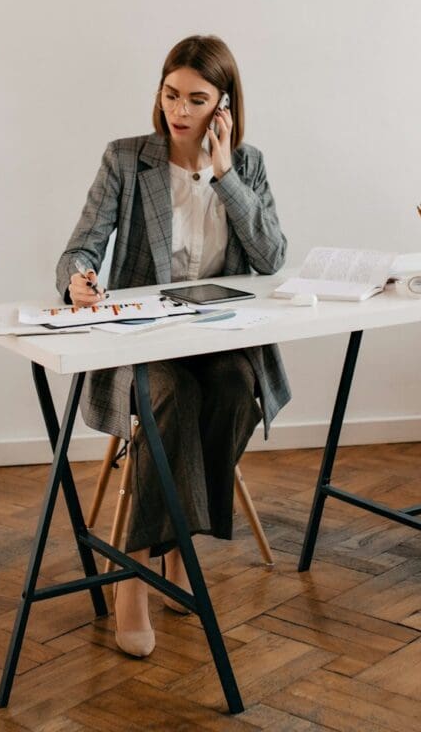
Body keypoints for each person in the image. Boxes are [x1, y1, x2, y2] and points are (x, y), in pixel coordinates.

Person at [56, 34, 291, 659]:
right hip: (146, 344)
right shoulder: (126, 159)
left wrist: (224, 176)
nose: (179, 111)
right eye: (170, 95)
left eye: (196, 99)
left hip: (221, 342)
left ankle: (174, 542)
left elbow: (271, 258)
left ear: (224, 105)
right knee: (171, 402)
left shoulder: (249, 164)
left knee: (241, 392)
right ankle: (139, 576)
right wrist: (79, 278)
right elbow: (81, 245)